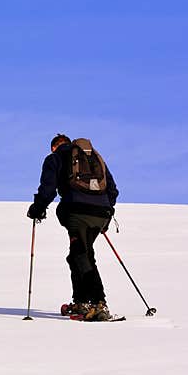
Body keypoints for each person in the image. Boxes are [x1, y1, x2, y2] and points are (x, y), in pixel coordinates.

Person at [27, 134, 119, 321]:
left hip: (77, 212)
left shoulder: (55, 158)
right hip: (101, 214)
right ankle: (82, 301)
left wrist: (37, 209)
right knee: (80, 254)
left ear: (54, 147)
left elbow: (48, 188)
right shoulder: (94, 157)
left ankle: (97, 303)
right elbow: (112, 190)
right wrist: (105, 213)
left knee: (80, 255)